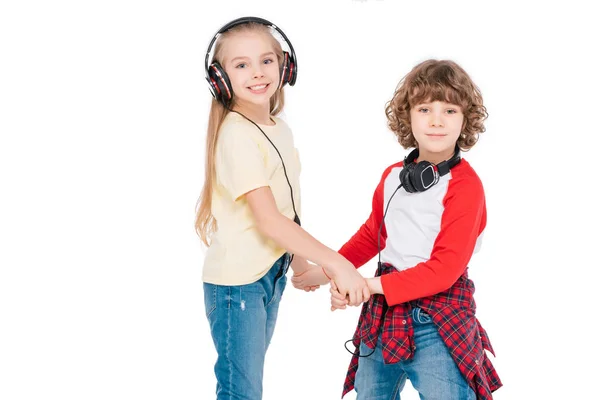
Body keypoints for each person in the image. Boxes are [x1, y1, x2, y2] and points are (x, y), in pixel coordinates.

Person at [295, 59, 502, 399]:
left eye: (449, 110)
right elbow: (372, 234)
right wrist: (326, 271)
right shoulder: (393, 177)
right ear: (408, 116)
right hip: (384, 315)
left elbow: (442, 271)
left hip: (437, 322)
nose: (436, 120)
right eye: (424, 109)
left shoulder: (466, 187)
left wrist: (364, 285)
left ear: (465, 119)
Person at [196, 17, 369, 399]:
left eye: (266, 61)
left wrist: (300, 262)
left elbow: (286, 207)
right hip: (238, 286)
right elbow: (269, 220)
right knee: (241, 391)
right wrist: (336, 262)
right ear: (220, 79)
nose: (257, 73)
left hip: (267, 276)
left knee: (247, 386)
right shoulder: (237, 135)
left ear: (285, 66)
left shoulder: (277, 127)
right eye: (241, 65)